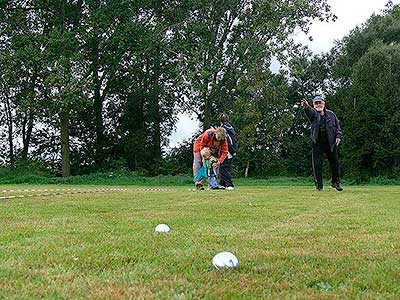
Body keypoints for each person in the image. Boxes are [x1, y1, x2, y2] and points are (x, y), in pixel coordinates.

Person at [302, 96, 343, 192]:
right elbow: (309, 112)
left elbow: (338, 127)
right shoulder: (313, 114)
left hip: (330, 143)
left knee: (335, 164)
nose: (318, 105)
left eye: (320, 103)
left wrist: (338, 137)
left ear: (324, 104)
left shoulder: (331, 115)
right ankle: (319, 186)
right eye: (316, 103)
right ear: (313, 105)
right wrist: (306, 107)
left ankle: (335, 182)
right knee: (317, 165)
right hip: (317, 143)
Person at [219, 113, 238, 190]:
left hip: (227, 150)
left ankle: (229, 185)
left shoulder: (223, 129)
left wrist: (232, 151)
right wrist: (235, 150)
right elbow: (234, 140)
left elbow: (228, 141)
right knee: (225, 167)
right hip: (232, 150)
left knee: (224, 167)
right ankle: (222, 184)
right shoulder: (231, 128)